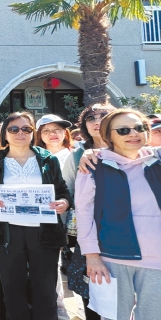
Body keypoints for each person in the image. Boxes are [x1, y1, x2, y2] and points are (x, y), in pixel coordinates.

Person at [73, 108, 161, 320]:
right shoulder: (94, 166)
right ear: (108, 135)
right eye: (123, 130)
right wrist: (91, 255)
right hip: (113, 257)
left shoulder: (157, 161)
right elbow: (83, 213)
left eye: (139, 128)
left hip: (157, 260)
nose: (133, 134)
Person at [0, 112, 71, 320]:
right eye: (14, 129)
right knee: (12, 287)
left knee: (45, 289)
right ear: (4, 134)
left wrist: (64, 203)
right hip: (8, 234)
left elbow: (62, 190)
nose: (20, 133)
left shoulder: (47, 159)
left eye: (26, 129)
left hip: (44, 232)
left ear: (33, 133)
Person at [61, 103, 116, 320]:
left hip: (126, 235)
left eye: (104, 115)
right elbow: (67, 192)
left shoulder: (133, 150)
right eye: (90, 118)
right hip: (87, 233)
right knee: (91, 287)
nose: (96, 121)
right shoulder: (76, 155)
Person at [33, 114, 74, 318]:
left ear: (65, 132)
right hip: (48, 223)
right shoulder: (35, 158)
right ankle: (59, 306)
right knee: (53, 264)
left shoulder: (76, 155)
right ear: (39, 134)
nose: (53, 134)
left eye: (57, 129)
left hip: (76, 222)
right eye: (47, 130)